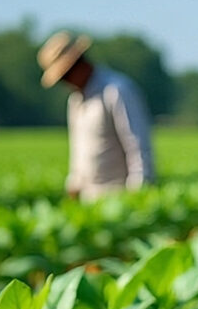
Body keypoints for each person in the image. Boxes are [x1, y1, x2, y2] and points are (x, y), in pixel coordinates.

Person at [36, 31, 156, 202]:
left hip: (119, 198)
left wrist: (138, 194)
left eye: (65, 76)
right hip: (88, 199)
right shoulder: (75, 101)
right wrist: (74, 184)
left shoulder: (116, 91)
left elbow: (137, 146)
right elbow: (79, 148)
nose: (66, 84)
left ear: (78, 64)